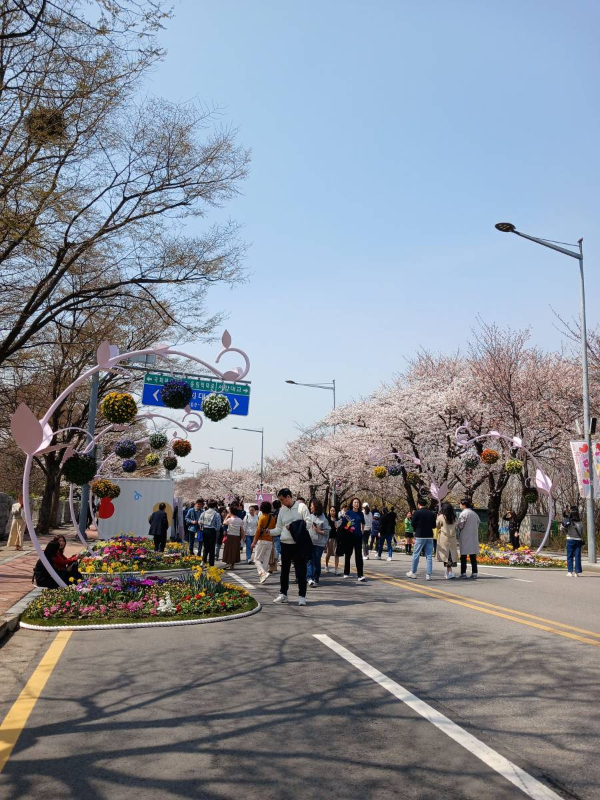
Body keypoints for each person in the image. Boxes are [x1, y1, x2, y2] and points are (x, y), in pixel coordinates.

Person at [271, 488, 310, 606]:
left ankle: (302, 596)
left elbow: (308, 523)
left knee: (301, 571)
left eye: (282, 499)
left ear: (288, 497)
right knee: (284, 571)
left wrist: (293, 526)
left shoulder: (301, 507)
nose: (281, 502)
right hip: (285, 544)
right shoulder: (282, 511)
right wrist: (268, 532)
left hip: (298, 544)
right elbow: (279, 528)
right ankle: (283, 594)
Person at [406, 498, 437, 580]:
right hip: (429, 536)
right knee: (429, 555)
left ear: (419, 504)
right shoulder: (431, 513)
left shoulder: (417, 513)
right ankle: (428, 574)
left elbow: (413, 524)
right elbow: (434, 525)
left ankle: (413, 572)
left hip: (420, 535)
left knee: (416, 554)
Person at [307, 498, 330, 587]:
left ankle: (316, 578)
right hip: (310, 542)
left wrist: (318, 530)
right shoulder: (310, 516)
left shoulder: (324, 519)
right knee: (309, 561)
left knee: (316, 561)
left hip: (319, 544)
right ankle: (309, 578)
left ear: (316, 507)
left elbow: (327, 532)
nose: (310, 507)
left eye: (311, 505)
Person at [342, 498, 366, 582]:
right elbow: (344, 525)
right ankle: (346, 572)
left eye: (358, 502)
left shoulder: (361, 514)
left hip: (358, 537)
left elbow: (363, 523)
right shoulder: (348, 513)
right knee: (348, 554)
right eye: (355, 502)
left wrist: (362, 531)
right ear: (352, 504)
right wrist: (349, 526)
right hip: (349, 536)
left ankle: (360, 575)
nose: (356, 504)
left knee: (358, 556)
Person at [252, 501, 276, 583]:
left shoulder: (261, 517)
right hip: (270, 541)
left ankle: (263, 573)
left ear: (261, 509)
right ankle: (262, 578)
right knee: (265, 561)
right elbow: (273, 530)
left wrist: (254, 542)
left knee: (256, 560)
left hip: (262, 541)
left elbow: (258, 531)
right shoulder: (272, 518)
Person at [457, 498, 480, 579]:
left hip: (465, 536)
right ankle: (474, 572)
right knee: (473, 555)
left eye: (460, 504)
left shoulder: (463, 514)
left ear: (464, 504)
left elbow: (461, 525)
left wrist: (457, 525)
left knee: (463, 555)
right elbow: (478, 524)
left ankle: (463, 573)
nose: (459, 505)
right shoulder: (474, 514)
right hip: (473, 536)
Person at [436, 502, 458, 579]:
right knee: (451, 554)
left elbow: (437, 526)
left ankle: (449, 572)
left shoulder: (441, 517)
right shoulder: (454, 517)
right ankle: (448, 571)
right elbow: (456, 526)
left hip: (444, 537)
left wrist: (437, 517)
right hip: (452, 538)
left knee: (446, 555)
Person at [562, 505, 584, 577]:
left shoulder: (569, 522)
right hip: (578, 540)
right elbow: (582, 533)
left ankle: (570, 572)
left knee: (570, 556)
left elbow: (563, 530)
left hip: (570, 540)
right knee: (577, 556)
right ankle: (577, 573)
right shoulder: (580, 523)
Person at [199, 500, 222, 566]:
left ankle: (203, 561)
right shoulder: (216, 514)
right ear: (215, 506)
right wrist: (217, 530)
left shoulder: (204, 513)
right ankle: (211, 563)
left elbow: (199, 521)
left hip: (205, 530)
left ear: (208, 505)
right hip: (212, 531)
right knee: (212, 547)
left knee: (206, 546)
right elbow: (218, 525)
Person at [325, 505, 342, 575]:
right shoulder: (327, 520)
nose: (332, 512)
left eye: (334, 511)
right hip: (329, 538)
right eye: (331, 510)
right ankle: (326, 565)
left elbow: (340, 529)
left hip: (336, 538)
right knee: (328, 553)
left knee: (336, 554)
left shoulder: (338, 520)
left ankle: (336, 569)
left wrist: (338, 527)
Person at [271, 498, 282, 563]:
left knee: (276, 547)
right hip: (281, 531)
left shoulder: (271, 513)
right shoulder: (281, 512)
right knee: (280, 548)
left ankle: (275, 561)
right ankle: (278, 560)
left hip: (274, 531)